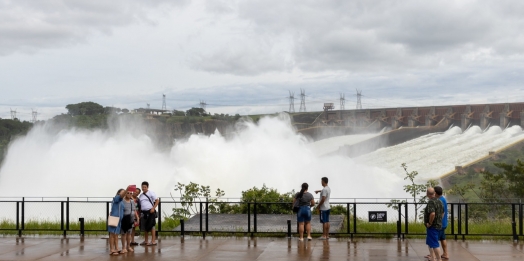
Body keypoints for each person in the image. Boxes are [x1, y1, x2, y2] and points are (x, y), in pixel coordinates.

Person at [424, 187, 444, 261]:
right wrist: (439, 220)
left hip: (433, 226)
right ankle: (432, 258)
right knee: (430, 242)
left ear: (427, 194)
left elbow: (432, 214)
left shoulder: (431, 202)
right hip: (438, 225)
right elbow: (443, 212)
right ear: (434, 193)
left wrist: (430, 223)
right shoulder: (439, 201)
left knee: (435, 244)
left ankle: (439, 259)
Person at [120, 186, 139, 253]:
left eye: (131, 193)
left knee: (129, 233)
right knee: (123, 233)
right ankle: (123, 247)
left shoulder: (132, 201)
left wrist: (137, 217)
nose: (129, 194)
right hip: (124, 219)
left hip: (130, 219)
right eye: (128, 193)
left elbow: (134, 210)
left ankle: (128, 246)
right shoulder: (122, 201)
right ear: (125, 193)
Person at [139, 181, 159, 246]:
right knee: (145, 227)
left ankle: (153, 241)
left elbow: (157, 200)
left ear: (147, 187)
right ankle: (146, 240)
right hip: (143, 212)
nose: (144, 188)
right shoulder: (141, 195)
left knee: (152, 226)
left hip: (150, 211)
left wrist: (153, 208)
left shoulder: (151, 193)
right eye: (143, 187)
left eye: (145, 187)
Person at [108, 188, 125, 256]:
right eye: (123, 192)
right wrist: (127, 189)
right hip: (114, 218)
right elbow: (121, 196)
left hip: (119, 220)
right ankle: (112, 249)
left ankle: (117, 248)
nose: (124, 194)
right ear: (118, 193)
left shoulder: (122, 201)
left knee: (116, 234)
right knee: (112, 234)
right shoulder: (117, 198)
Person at [435, 186, 449, 260]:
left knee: (434, 240)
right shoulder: (443, 199)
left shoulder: (439, 201)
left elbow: (440, 213)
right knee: (442, 238)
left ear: (436, 193)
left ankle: (434, 255)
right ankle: (445, 254)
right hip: (444, 223)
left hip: (439, 224)